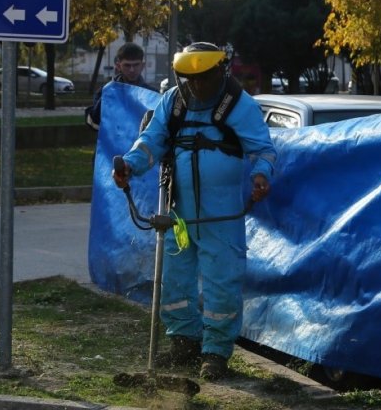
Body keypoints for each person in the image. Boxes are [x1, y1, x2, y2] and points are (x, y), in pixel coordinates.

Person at [112, 42, 276, 380]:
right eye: (189, 78)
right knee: (175, 278)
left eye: (202, 78)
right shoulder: (173, 101)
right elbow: (151, 141)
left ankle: (215, 353)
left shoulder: (239, 105)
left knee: (222, 280)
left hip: (221, 212)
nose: (196, 86)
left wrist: (261, 174)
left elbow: (263, 149)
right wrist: (129, 165)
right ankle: (183, 343)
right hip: (179, 211)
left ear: (220, 71)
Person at [86, 42, 154, 131]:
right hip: (112, 144)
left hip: (142, 144)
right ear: (118, 66)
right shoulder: (105, 92)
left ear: (142, 65)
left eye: (136, 65)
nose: (132, 70)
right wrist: (106, 98)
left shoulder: (152, 94)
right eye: (127, 65)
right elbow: (94, 124)